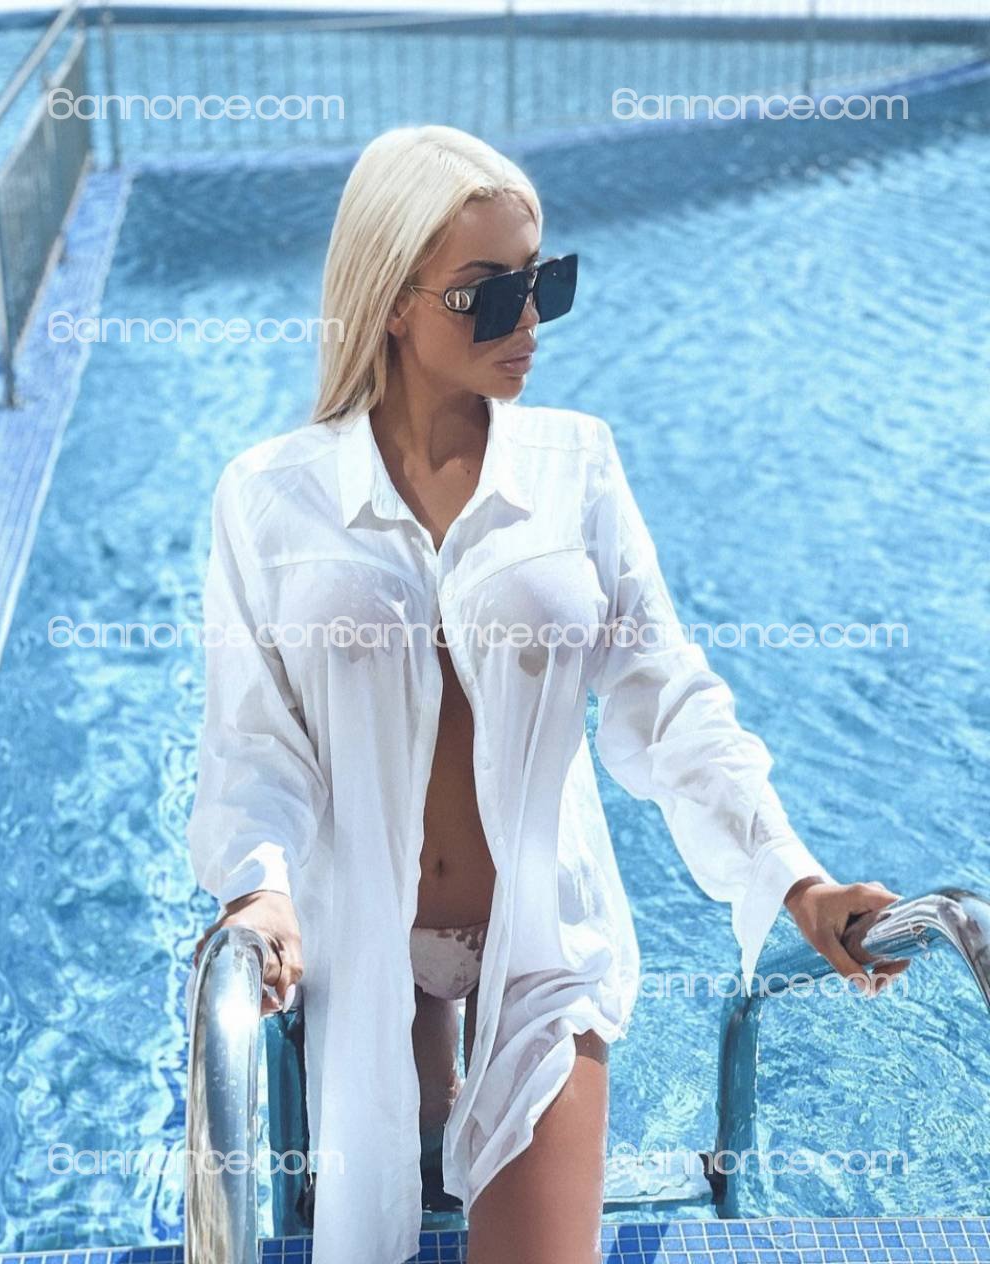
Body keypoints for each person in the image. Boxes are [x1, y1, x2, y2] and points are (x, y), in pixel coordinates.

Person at [186, 124, 908, 1264]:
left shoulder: (579, 466)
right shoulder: (270, 496)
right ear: (391, 301)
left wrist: (794, 878)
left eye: (544, 282)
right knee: (385, 1197)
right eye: (487, 293)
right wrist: (259, 891)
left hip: (544, 937)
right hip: (367, 935)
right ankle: (431, 1079)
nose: (527, 320)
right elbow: (255, 738)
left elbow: (669, 702)